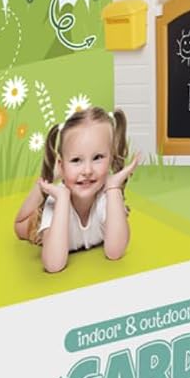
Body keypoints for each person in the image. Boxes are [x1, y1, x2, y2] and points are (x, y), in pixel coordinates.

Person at [14, 107, 139, 273]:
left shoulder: (108, 196)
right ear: (62, 164)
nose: (87, 171)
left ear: (110, 158)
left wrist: (114, 187)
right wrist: (62, 198)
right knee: (20, 226)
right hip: (43, 219)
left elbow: (115, 252)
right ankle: (53, 175)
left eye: (97, 158)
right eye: (76, 160)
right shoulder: (56, 200)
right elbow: (53, 265)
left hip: (98, 187)